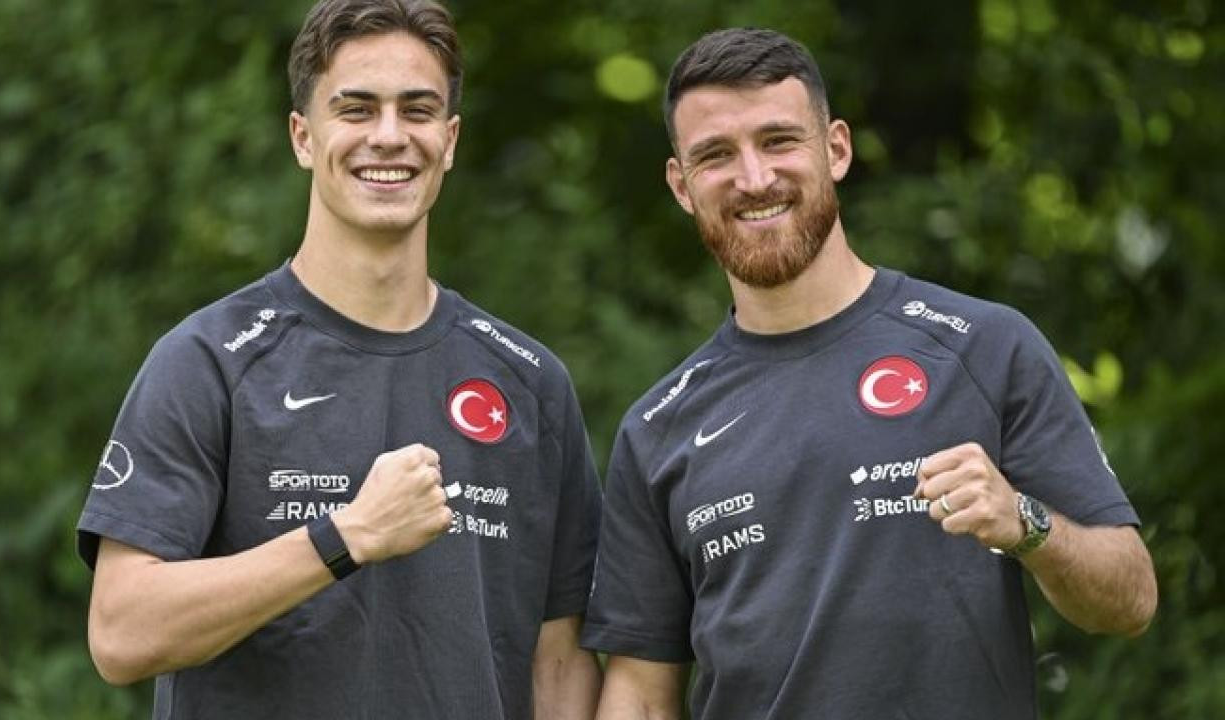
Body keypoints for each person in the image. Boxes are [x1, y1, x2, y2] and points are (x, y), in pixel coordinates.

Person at [581, 27, 1157, 720]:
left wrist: (1023, 521)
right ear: (682, 185)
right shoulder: (658, 427)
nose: (754, 179)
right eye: (715, 155)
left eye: (778, 141)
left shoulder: (983, 346)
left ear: (837, 149)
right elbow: (641, 696)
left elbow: (1130, 599)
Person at [76, 1, 602, 717]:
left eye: (417, 110)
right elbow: (121, 632)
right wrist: (346, 536)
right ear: (303, 136)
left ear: (449, 140)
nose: (388, 136)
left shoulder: (530, 383)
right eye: (356, 109)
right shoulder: (209, 361)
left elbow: (559, 663)